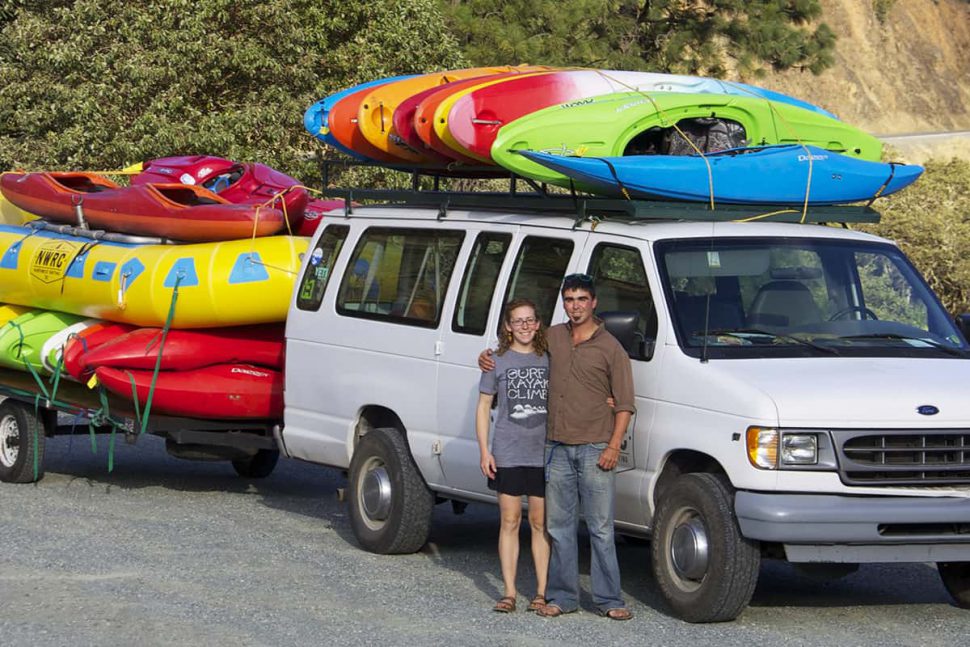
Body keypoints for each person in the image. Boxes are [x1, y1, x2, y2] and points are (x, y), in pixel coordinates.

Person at [480, 274, 636, 621]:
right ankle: (563, 596)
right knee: (560, 527)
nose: (576, 305)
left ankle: (610, 599)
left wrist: (613, 446)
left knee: (600, 527)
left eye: (582, 299)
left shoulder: (611, 348)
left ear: (594, 302)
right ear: (563, 303)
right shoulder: (553, 338)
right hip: (556, 448)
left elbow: (625, 403)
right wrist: (487, 356)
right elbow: (516, 345)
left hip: (596, 447)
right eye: (569, 299)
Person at [476, 298, 551, 614]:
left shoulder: (550, 358)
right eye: (517, 321)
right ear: (507, 326)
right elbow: (483, 407)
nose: (524, 326)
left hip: (542, 454)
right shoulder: (497, 361)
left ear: (537, 324)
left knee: (539, 522)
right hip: (507, 450)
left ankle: (542, 592)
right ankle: (508, 591)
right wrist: (484, 450)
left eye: (529, 320)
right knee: (509, 520)